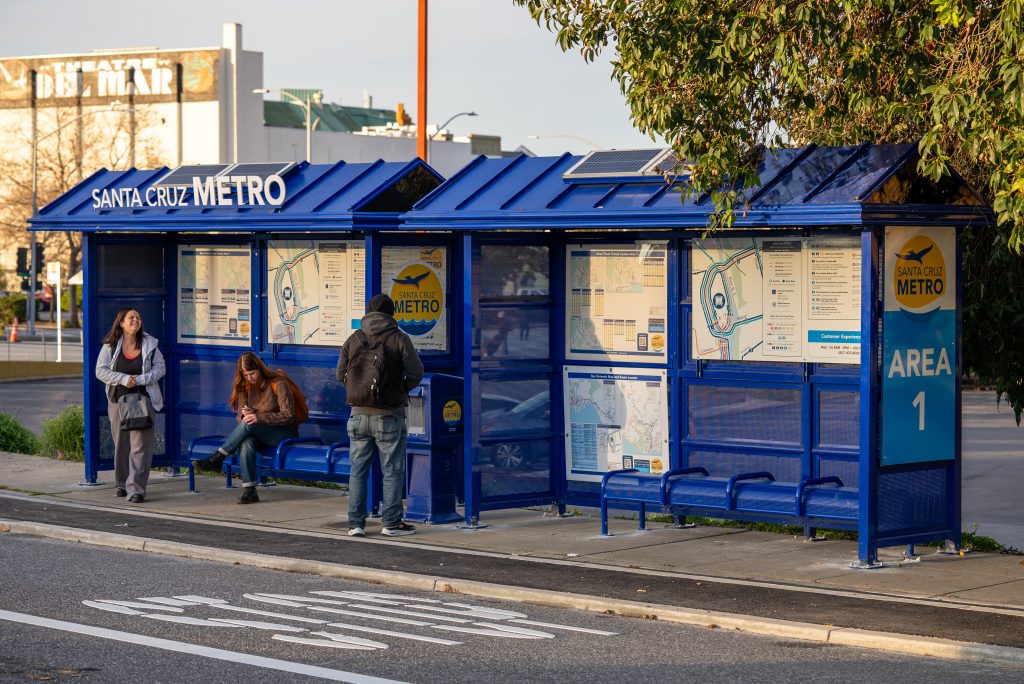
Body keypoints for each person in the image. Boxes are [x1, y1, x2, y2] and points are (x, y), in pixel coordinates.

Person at [337, 293, 424, 537]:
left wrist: (358, 392)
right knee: (392, 471)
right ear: (392, 312)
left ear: (368, 311)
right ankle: (391, 523)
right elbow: (416, 373)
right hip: (388, 415)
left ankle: (355, 524)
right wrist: (398, 390)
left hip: (356, 416)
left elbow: (339, 374)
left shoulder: (354, 338)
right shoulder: (399, 338)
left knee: (358, 471)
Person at [190, 352, 300, 504]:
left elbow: (288, 415)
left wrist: (258, 417)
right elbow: (240, 419)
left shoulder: (278, 383)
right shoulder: (245, 386)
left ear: (260, 369)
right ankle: (249, 491)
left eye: (252, 373)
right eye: (246, 374)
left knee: (248, 426)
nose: (250, 378)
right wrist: (244, 415)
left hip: (283, 432)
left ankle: (218, 457)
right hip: (257, 431)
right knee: (246, 441)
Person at [95, 308, 166, 504]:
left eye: (138, 317)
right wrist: (125, 379)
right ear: (121, 323)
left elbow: (161, 368)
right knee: (122, 444)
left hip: (143, 400)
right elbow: (100, 371)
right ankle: (121, 483)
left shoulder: (150, 344)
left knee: (140, 446)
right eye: (131, 317)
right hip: (118, 401)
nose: (136, 320)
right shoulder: (110, 346)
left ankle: (136, 489)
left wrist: (141, 379)